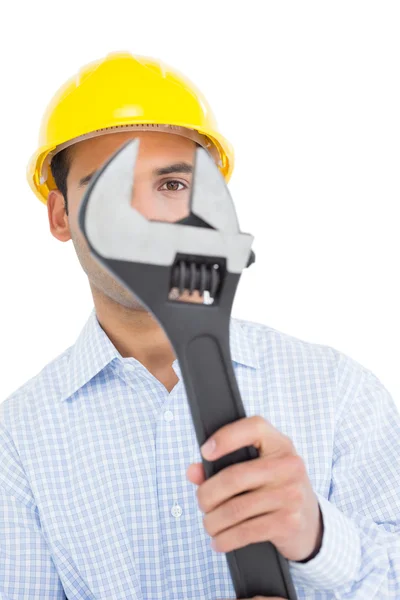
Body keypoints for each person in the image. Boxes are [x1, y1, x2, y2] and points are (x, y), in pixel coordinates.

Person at [0, 51, 399, 600]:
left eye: (171, 185)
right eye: (106, 190)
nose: (144, 217)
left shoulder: (339, 390)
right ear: (60, 216)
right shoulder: (16, 440)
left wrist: (317, 538)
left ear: (211, 206)